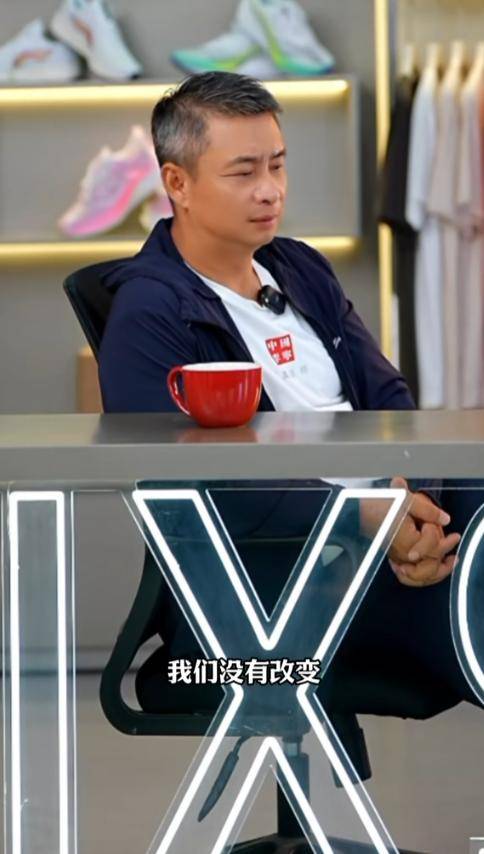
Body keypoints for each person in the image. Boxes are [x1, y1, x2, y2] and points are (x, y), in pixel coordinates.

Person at [98, 72, 482, 726]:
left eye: (277, 165)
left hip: (378, 542)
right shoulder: (150, 313)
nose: (270, 189)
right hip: (276, 591)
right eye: (244, 172)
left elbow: (390, 401)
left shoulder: (300, 267)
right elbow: (197, 486)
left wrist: (415, 507)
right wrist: (366, 517)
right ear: (177, 183)